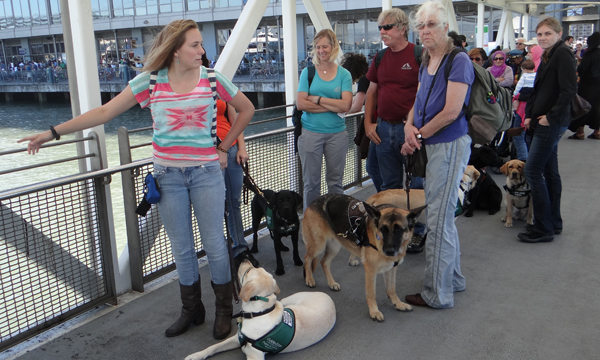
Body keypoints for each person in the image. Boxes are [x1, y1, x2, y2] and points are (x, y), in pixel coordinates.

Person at [18, 19, 255, 339]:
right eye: (195, 45)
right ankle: (192, 309)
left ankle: (224, 310)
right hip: (167, 176)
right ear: (174, 51)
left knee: (214, 244)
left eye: (201, 44)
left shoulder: (212, 79)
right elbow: (104, 113)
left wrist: (225, 147)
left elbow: (246, 109)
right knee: (182, 248)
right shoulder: (151, 82)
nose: (202, 50)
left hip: (206, 174)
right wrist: (52, 133)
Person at [401, 0, 474, 308]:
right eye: (421, 25)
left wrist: (418, 135)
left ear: (446, 27)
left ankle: (437, 293)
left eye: (432, 24)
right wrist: (408, 126)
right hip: (431, 145)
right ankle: (453, 281)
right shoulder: (426, 59)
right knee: (442, 218)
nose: (426, 30)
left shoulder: (458, 60)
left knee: (438, 219)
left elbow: (451, 112)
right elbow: (420, 100)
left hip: (448, 146)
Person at [363, 8, 427, 253]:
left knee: (416, 185)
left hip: (410, 129)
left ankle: (417, 232)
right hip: (383, 128)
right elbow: (371, 92)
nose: (382, 31)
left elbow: (423, 95)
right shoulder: (379, 57)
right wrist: (369, 123)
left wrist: (411, 126)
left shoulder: (419, 55)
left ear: (402, 28)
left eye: (387, 27)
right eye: (380, 27)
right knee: (390, 186)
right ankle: (391, 232)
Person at [520, 17, 577, 243]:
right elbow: (540, 89)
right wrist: (530, 115)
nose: (543, 37)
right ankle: (553, 222)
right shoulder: (549, 54)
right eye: (540, 34)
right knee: (550, 172)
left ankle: (543, 227)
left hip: (551, 122)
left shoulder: (562, 54)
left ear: (558, 34)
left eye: (547, 34)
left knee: (533, 171)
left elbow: (568, 90)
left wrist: (549, 118)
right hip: (544, 120)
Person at [201, 51, 259, 269]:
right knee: (217, 206)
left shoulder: (216, 82)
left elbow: (236, 118)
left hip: (230, 149)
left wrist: (241, 147)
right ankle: (220, 252)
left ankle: (240, 248)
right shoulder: (191, 89)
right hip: (207, 156)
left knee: (233, 202)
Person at [296, 29, 352, 211]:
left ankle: (336, 221)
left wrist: (319, 99)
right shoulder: (308, 72)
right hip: (311, 132)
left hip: (337, 134)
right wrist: (333, 105)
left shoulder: (344, 74)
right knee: (311, 184)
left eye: (325, 46)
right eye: (318, 47)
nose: (321, 50)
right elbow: (301, 104)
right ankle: (311, 224)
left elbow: (346, 106)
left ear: (333, 46)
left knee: (335, 182)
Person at [568, 32, 600, 140]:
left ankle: (580, 131)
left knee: (583, 106)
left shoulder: (590, 53)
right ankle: (597, 131)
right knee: (597, 108)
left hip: (588, 84)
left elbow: (582, 69)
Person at [511, 59, 536, 161]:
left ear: (523, 69)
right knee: (529, 135)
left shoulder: (524, 76)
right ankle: (531, 159)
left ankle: (523, 159)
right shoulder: (537, 75)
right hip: (533, 107)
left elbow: (518, 87)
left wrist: (515, 95)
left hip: (523, 108)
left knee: (518, 134)